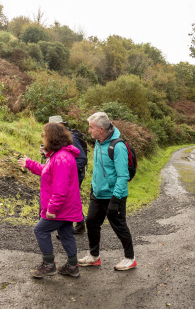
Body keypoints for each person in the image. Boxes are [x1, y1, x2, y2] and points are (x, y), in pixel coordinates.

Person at [18, 123, 84, 278]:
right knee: (66, 233)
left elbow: (60, 189)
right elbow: (46, 172)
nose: (43, 137)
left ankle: (49, 265)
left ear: (52, 137)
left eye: (44, 134)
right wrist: (29, 163)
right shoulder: (59, 155)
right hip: (67, 207)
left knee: (40, 230)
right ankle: (72, 266)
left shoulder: (61, 158)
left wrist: (51, 210)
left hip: (60, 208)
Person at [78, 111, 137, 270]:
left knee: (119, 226)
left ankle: (130, 258)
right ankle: (94, 256)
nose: (89, 130)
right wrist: (93, 188)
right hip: (98, 194)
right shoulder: (98, 142)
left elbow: (123, 176)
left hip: (114, 196)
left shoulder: (117, 147)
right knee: (91, 222)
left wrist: (115, 199)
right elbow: (98, 169)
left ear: (101, 129)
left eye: (91, 128)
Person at [47, 115, 88, 234]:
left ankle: (66, 230)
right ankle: (79, 224)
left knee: (68, 200)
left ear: (61, 125)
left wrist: (65, 169)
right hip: (66, 175)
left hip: (74, 175)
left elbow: (82, 159)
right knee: (71, 200)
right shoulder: (58, 138)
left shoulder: (71, 138)